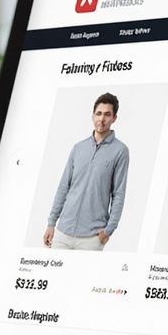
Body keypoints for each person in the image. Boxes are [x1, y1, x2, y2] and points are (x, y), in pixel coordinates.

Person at [44, 92, 129, 250]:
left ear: (114, 118)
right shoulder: (78, 148)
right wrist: (51, 223)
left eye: (107, 115)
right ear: (92, 116)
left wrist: (109, 230)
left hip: (92, 238)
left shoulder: (120, 151)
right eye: (98, 113)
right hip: (63, 232)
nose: (101, 119)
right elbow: (63, 187)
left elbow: (119, 193)